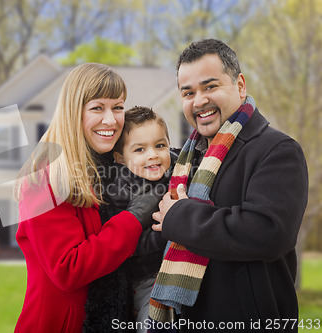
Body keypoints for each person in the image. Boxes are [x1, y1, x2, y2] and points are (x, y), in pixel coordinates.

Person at [148, 38, 308, 332]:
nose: (199, 101)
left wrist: (179, 216)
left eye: (210, 87)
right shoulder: (185, 160)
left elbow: (269, 232)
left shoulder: (277, 150)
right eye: (188, 92)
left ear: (240, 85)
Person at [13, 63, 159, 333]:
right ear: (73, 112)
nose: (111, 119)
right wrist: (135, 217)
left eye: (118, 107)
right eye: (97, 108)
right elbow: (68, 268)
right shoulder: (45, 176)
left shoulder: (110, 167)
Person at [83, 106, 177, 333]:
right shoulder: (121, 188)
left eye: (160, 145)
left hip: (177, 270)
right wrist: (168, 233)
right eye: (140, 149)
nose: (153, 154)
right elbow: (129, 245)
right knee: (154, 325)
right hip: (146, 279)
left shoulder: (177, 169)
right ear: (121, 159)